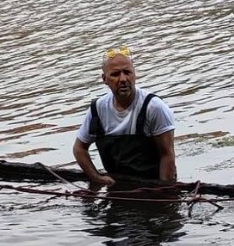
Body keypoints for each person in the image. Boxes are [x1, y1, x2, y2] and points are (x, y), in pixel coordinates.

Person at [72, 47, 177, 185]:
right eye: (115, 74)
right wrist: (96, 177)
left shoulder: (154, 107)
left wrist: (166, 194)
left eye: (127, 72)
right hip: (117, 184)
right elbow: (79, 148)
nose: (123, 79)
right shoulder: (98, 108)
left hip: (152, 185)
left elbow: (167, 155)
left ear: (135, 75)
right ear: (105, 79)